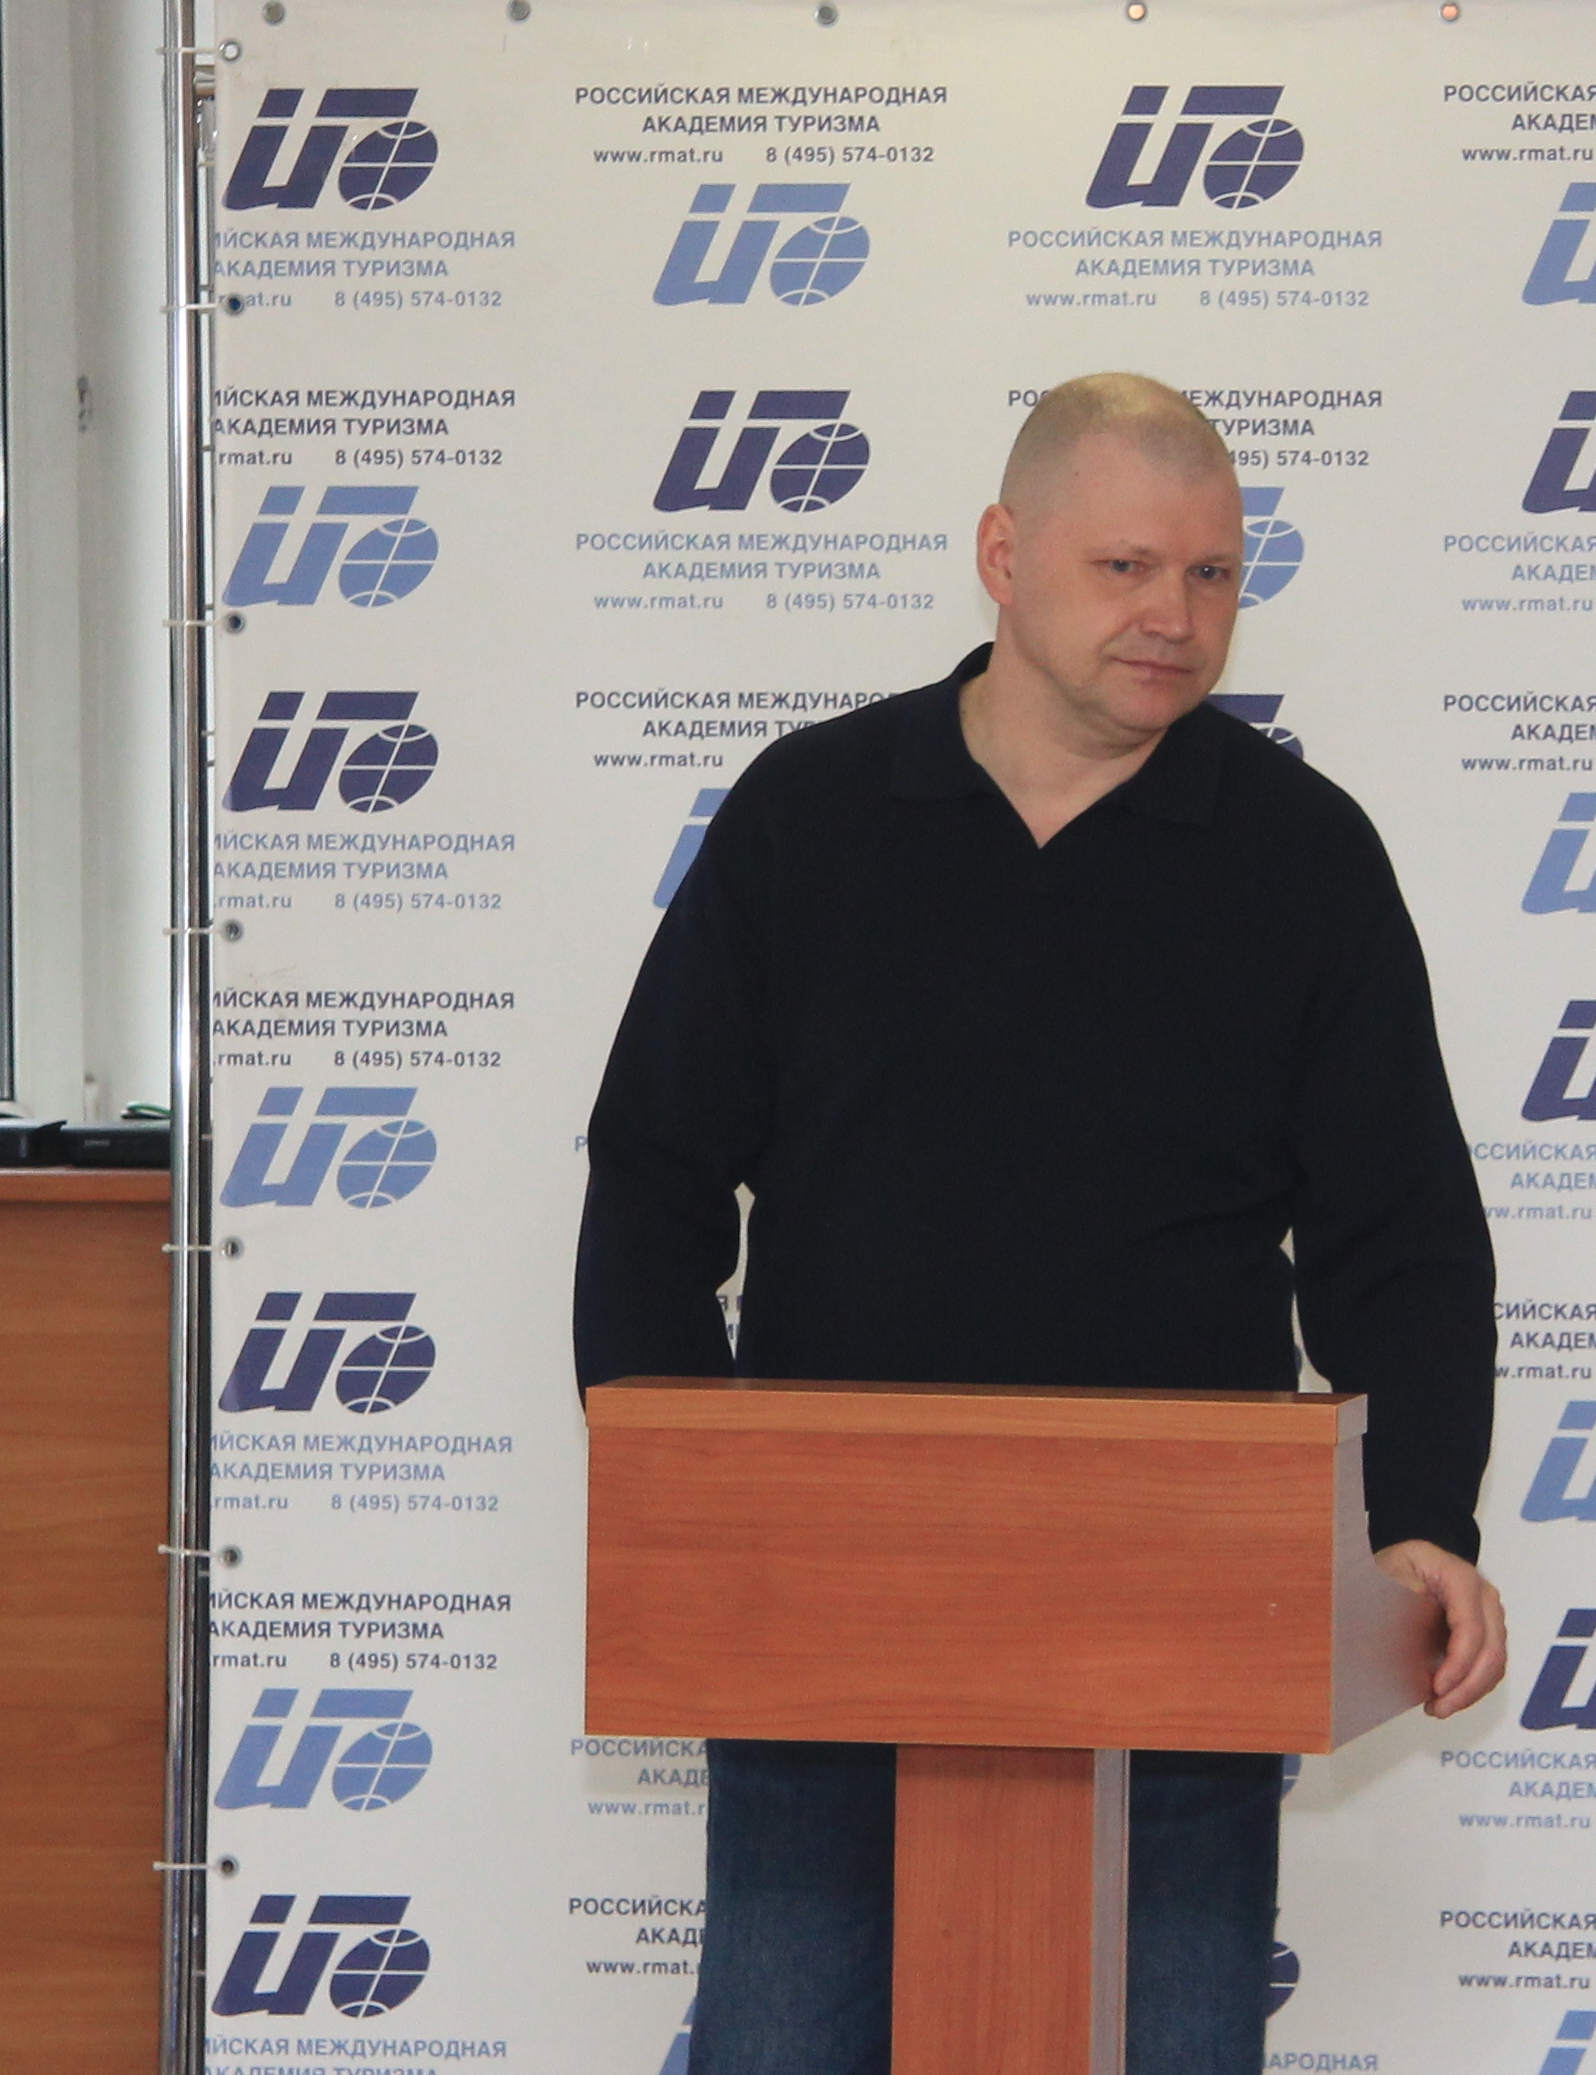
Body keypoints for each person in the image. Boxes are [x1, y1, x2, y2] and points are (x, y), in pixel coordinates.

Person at [577, 372, 1508, 2075]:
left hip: (1188, 1602)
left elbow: (1404, 1236)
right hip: (826, 1590)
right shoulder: (809, 813)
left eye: (1212, 575)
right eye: (1125, 567)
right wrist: (684, 1482)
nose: (1176, 617)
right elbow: (653, 1171)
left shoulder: (1301, 856)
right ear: (1004, 556)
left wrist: (1423, 1516)